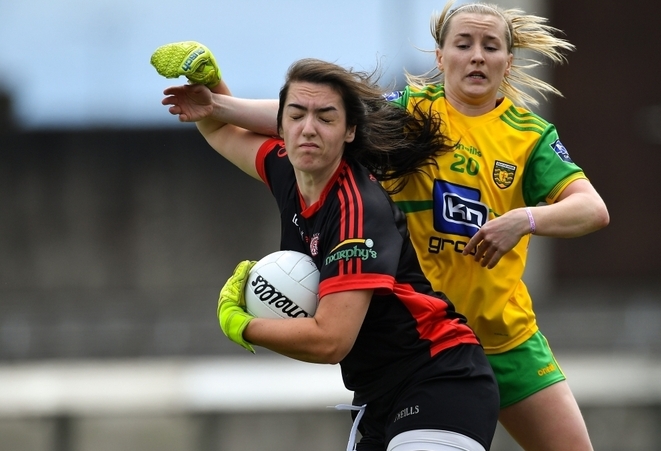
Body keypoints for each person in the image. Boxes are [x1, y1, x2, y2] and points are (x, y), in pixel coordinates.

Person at [154, 0, 611, 447]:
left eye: (490, 46)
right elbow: (307, 117)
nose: (476, 55)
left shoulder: (529, 135)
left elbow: (592, 209)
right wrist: (216, 103)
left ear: (508, 61)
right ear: (440, 56)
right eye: (464, 43)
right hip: (420, 343)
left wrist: (523, 219)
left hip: (504, 337)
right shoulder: (411, 110)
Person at [152, 47, 500, 451]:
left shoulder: (357, 210)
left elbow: (331, 339)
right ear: (280, 126)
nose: (309, 129)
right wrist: (211, 90)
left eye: (326, 117)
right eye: (297, 115)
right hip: (378, 398)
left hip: (442, 380)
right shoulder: (286, 169)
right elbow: (218, 130)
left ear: (349, 131)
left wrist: (241, 323)